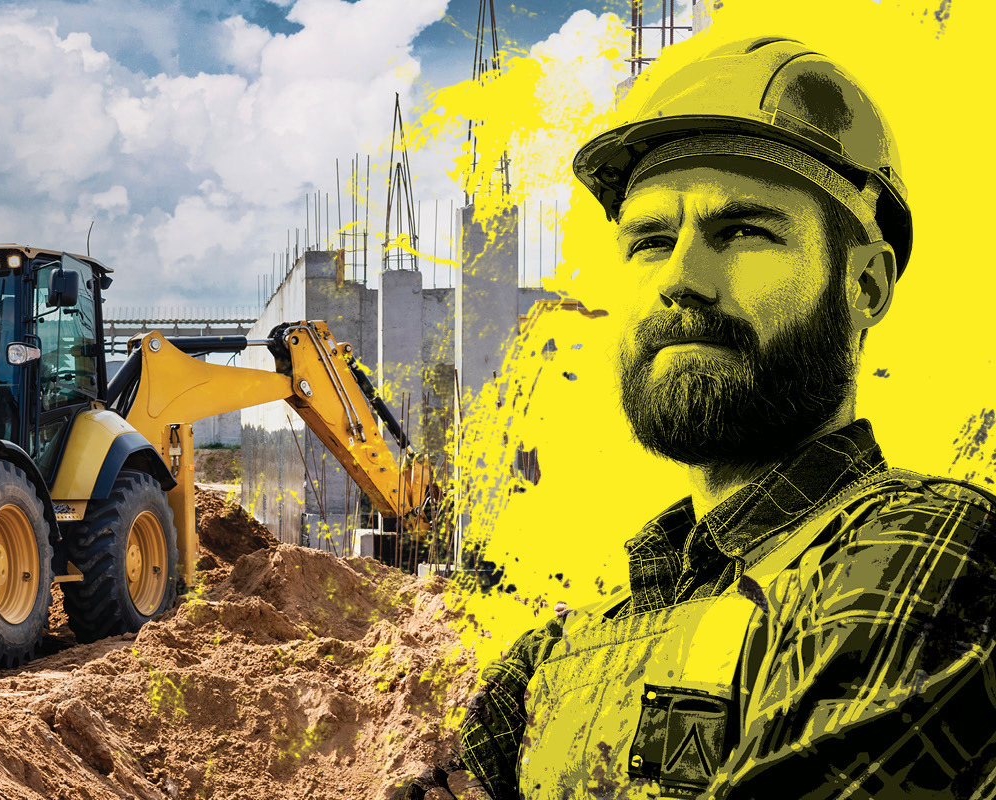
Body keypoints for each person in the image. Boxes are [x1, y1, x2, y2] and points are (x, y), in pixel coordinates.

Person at [404, 37, 996, 800]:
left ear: (867, 285)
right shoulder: (555, 652)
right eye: (650, 240)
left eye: (744, 232)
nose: (681, 279)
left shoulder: (932, 550)